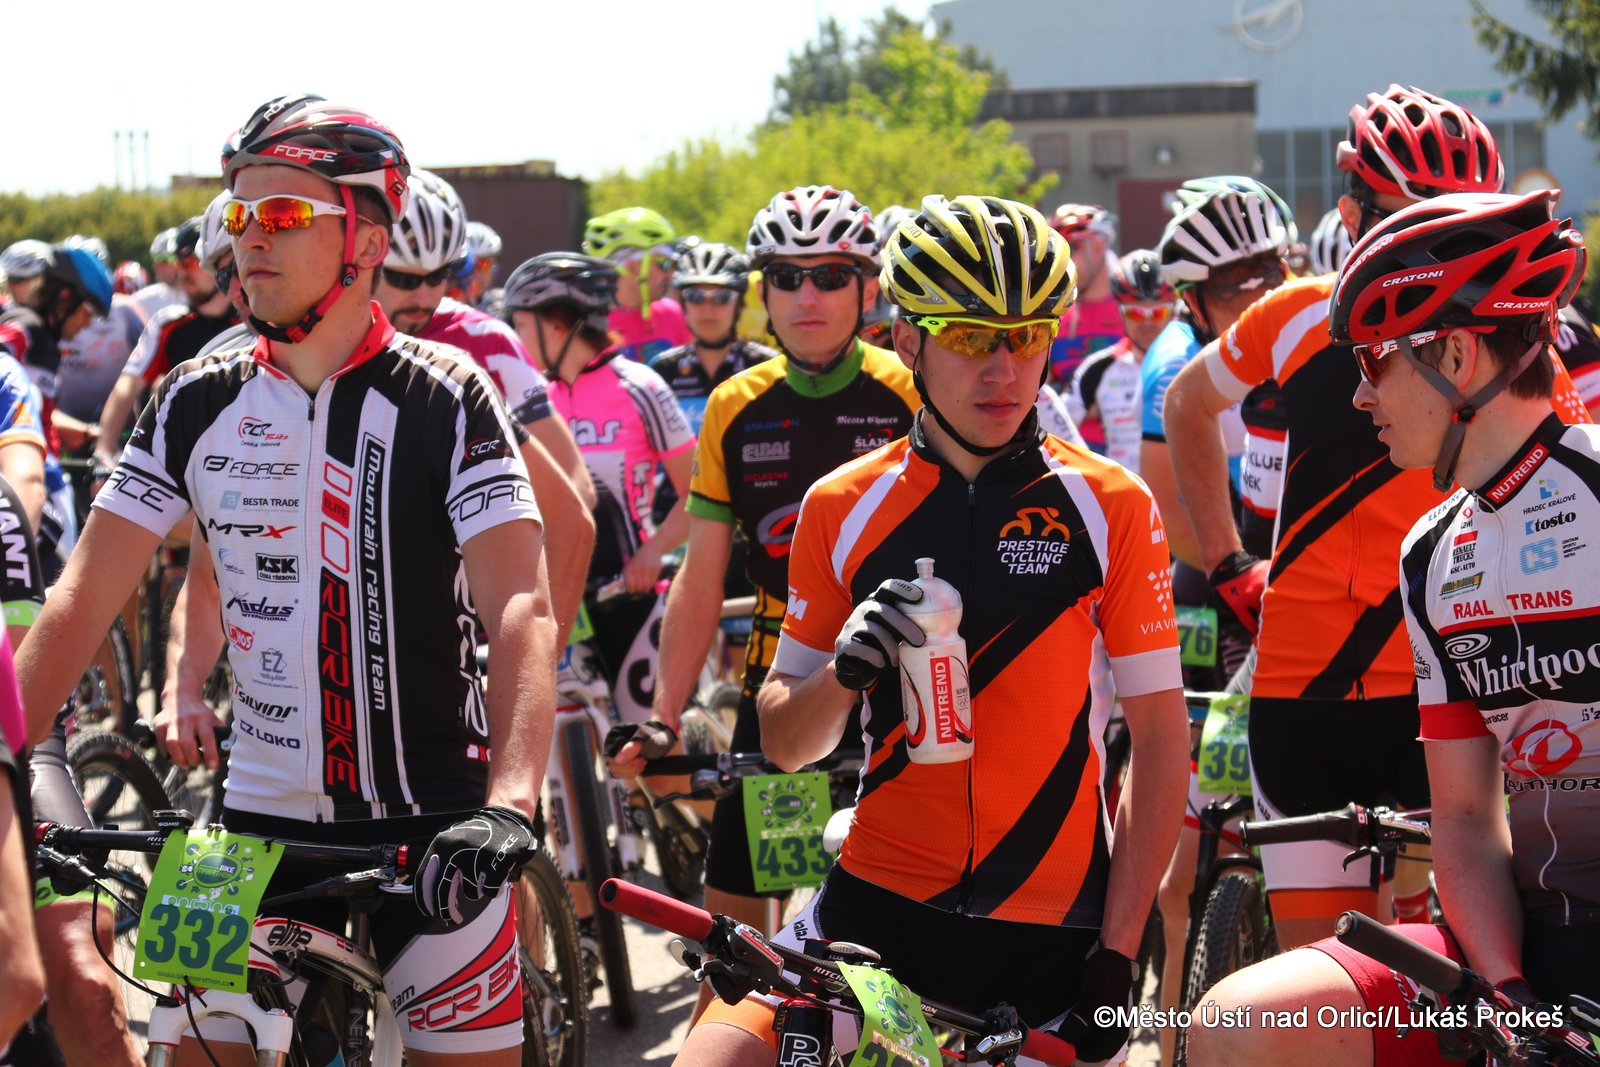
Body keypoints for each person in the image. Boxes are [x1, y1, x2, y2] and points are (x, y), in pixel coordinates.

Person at [17, 94, 557, 1063]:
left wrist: (511, 799)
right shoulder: (191, 397)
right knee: (188, 1050)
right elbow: (82, 594)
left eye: (280, 213)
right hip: (249, 814)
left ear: (367, 240)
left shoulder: (449, 393)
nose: (248, 238)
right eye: (237, 213)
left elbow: (521, 605)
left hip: (437, 823)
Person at [672, 192, 1188, 1067]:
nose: (1005, 370)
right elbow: (788, 743)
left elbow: (1163, 741)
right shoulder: (842, 504)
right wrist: (842, 674)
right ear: (908, 339)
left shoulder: (1112, 504)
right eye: (971, 337)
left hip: (1053, 930)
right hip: (876, 914)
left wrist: (1120, 952)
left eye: (1028, 335)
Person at [1159, 85, 1594, 952]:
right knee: (1319, 980)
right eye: (1404, 217)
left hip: (1446, 682)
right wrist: (1228, 560)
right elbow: (1184, 404)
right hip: (1303, 686)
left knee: (1439, 969)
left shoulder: (1513, 341)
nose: (1429, 248)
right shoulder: (1294, 314)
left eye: (1457, 224)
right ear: (1352, 211)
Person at [95, 208, 238, 462]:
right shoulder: (168, 323)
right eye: (177, 264)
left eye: (190, 262)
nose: (182, 272)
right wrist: (103, 452)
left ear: (219, 260)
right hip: (179, 458)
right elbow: (125, 388)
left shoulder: (250, 323)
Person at [1067, 248, 1175, 473]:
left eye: (1158, 313)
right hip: (1123, 491)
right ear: (1120, 311)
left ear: (1173, 311)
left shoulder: (1192, 362)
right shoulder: (1098, 369)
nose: (1147, 322)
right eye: (1135, 313)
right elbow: (1057, 429)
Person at [582, 206, 692, 362]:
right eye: (664, 263)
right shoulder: (586, 323)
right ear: (633, 266)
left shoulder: (673, 314)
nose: (671, 273)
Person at [1045, 204, 1124, 397]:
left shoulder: (1134, 309)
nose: (1061, 262)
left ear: (1097, 248)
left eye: (1070, 249)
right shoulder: (1053, 312)